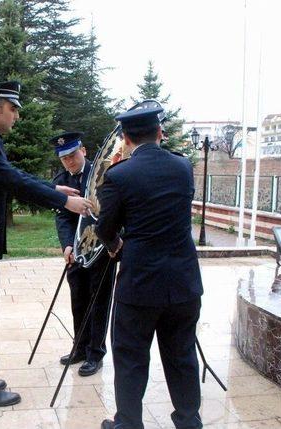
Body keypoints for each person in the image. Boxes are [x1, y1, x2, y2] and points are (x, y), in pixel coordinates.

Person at [0, 80, 92, 407]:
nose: (17, 117)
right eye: (13, 109)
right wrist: (62, 201)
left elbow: (10, 174)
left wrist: (56, 191)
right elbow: (12, 180)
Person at [95, 106, 204, 429]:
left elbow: (104, 228)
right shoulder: (184, 167)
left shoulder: (119, 175)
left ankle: (128, 424)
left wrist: (116, 246)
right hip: (183, 284)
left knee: (130, 360)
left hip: (140, 286)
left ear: (126, 139)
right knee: (182, 357)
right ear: (160, 133)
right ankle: (188, 422)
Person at [50, 131, 116, 376]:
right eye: (63, 158)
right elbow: (62, 218)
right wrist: (67, 245)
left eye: (72, 155)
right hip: (76, 252)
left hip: (101, 250)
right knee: (78, 299)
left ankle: (95, 353)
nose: (69, 161)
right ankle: (79, 347)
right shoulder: (62, 179)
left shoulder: (100, 176)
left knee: (98, 301)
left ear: (84, 151)